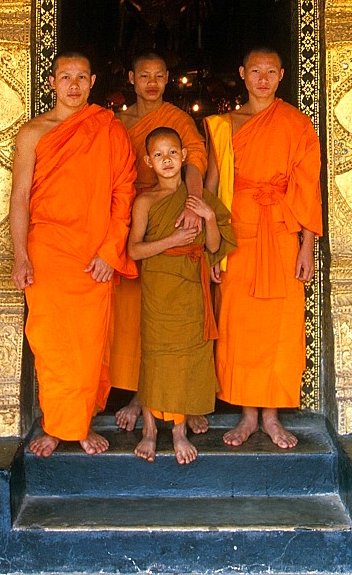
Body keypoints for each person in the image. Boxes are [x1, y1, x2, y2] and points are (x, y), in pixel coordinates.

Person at [10, 52, 136, 457]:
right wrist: (19, 256)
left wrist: (109, 250)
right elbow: (20, 199)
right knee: (50, 342)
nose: (74, 84)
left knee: (88, 342)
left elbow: (123, 193)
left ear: (93, 80)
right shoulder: (33, 133)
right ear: (52, 82)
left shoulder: (108, 129)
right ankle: (55, 424)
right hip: (47, 249)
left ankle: (79, 424)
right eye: (66, 77)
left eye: (82, 76)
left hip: (92, 252)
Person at [205, 48, 322, 450]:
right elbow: (213, 191)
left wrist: (306, 246)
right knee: (238, 326)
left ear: (282, 75)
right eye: (255, 70)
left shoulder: (297, 124)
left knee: (280, 329)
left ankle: (271, 417)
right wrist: (214, 248)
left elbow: (308, 189)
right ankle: (246, 415)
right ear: (242, 74)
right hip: (238, 236)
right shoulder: (224, 126)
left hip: (282, 234)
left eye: (271, 71)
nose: (263, 78)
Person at [111, 52, 208, 432]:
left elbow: (196, 158)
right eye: (144, 75)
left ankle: (178, 398)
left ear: (168, 79)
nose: (151, 82)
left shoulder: (178, 120)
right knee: (135, 314)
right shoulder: (117, 122)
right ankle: (139, 392)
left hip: (172, 207)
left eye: (159, 76)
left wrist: (192, 204)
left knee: (174, 316)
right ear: (131, 78)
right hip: (133, 211)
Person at [128, 128, 236, 465]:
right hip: (159, 285)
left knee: (189, 354)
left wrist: (208, 218)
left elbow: (214, 246)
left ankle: (178, 430)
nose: (167, 160)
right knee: (157, 355)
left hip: (192, 283)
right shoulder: (145, 201)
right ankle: (149, 429)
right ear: (148, 161)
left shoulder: (198, 197)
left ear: (184, 157)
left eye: (173, 153)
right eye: (158, 155)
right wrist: (170, 242)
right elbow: (134, 250)